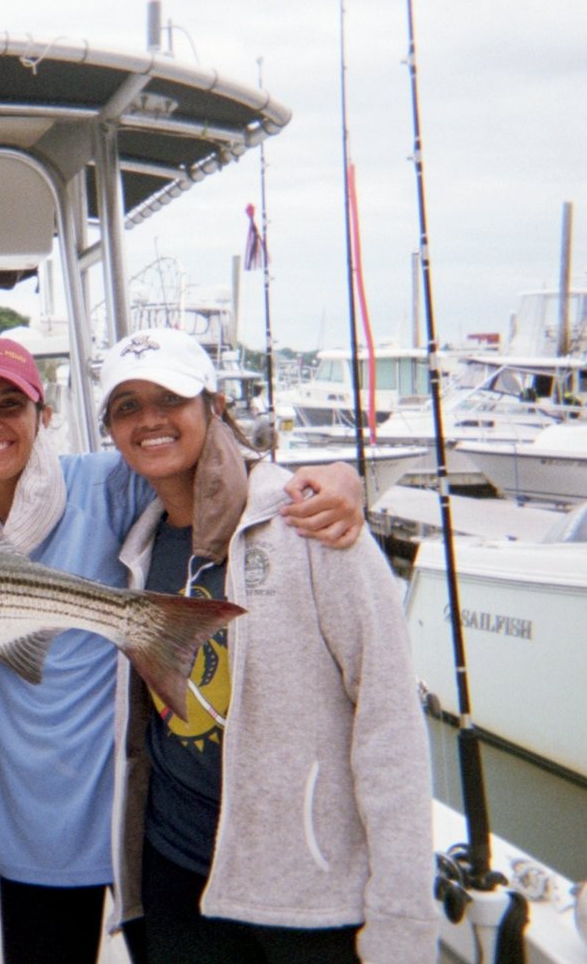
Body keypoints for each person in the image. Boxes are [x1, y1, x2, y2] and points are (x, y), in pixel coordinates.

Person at [0, 335, 365, 964]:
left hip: (138, 820)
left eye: (10, 405)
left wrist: (335, 476)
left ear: (42, 414)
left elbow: (209, 473)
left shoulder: (105, 486)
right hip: (36, 830)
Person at [100, 328, 436, 962]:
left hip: (304, 895)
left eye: (169, 398)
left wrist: (402, 918)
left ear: (214, 406)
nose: (149, 420)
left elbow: (389, 723)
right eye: (126, 406)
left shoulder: (310, 522)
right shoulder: (137, 544)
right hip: (173, 871)